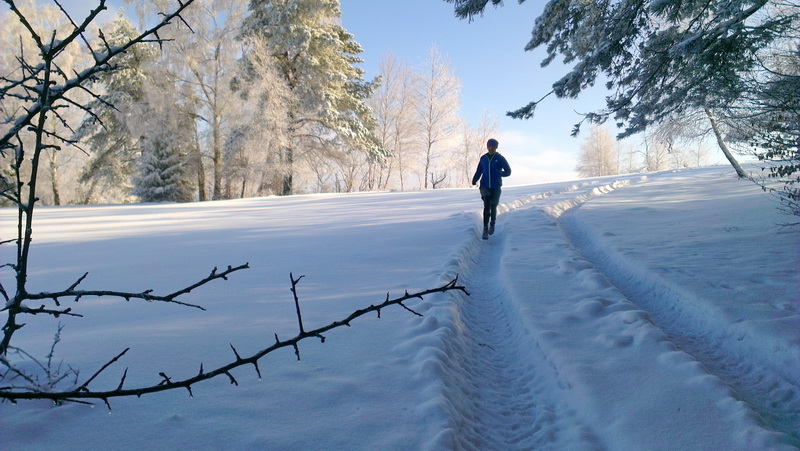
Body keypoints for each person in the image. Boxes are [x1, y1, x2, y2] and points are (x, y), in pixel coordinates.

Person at [471, 138, 511, 240]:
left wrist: (500, 173)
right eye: (489, 146)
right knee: (486, 206)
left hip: (496, 187)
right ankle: (485, 229)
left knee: (493, 207)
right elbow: (479, 170)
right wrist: (474, 179)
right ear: (487, 146)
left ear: (496, 147)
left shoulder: (500, 158)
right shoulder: (483, 158)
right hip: (484, 186)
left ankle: (492, 224)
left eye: (493, 146)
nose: (491, 148)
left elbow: (508, 171)